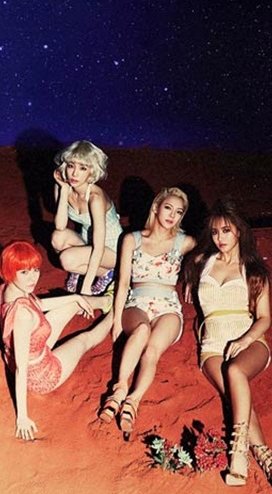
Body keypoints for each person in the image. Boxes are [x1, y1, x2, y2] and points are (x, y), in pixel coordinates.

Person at [184, 198, 272, 491]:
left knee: (235, 372)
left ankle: (239, 452)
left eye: (226, 231)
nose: (219, 238)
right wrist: (189, 280)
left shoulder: (254, 271)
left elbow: (265, 318)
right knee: (234, 394)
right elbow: (182, 254)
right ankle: (268, 459)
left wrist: (245, 340)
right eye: (215, 232)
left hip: (250, 341)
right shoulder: (202, 263)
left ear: (239, 231)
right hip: (212, 346)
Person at [99, 187, 195, 438]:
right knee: (141, 330)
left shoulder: (184, 242)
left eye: (179, 212)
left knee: (152, 350)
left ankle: (133, 401)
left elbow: (207, 254)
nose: (172, 215)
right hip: (137, 303)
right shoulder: (132, 239)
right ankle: (119, 389)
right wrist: (116, 322)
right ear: (155, 208)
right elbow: (122, 283)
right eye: (168, 208)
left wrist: (192, 276)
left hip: (168, 307)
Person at [0, 241, 113, 441]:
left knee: (71, 304)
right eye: (24, 272)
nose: (33, 277)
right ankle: (117, 310)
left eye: (35, 270)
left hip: (32, 347)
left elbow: (37, 304)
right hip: (41, 374)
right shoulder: (23, 315)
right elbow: (22, 369)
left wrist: (74, 297)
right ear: (9, 271)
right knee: (84, 339)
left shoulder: (8, 289)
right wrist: (22, 417)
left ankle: (106, 301)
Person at [51, 140, 122, 295]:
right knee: (57, 237)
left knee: (67, 259)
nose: (75, 173)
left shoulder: (95, 198)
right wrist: (64, 190)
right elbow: (60, 226)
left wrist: (86, 287)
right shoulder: (63, 187)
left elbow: (99, 246)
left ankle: (106, 273)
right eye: (71, 166)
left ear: (92, 171)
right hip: (87, 242)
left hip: (112, 250)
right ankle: (81, 269)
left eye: (83, 168)